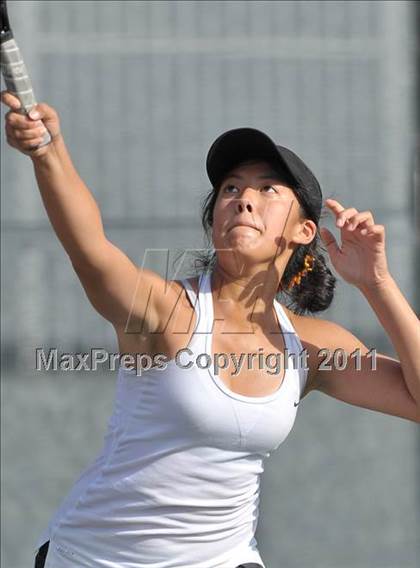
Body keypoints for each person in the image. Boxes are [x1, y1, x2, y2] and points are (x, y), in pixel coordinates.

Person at [1, 91, 419, 568]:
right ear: (215, 220)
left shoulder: (312, 345)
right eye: (231, 189)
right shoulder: (167, 312)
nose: (244, 200)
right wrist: (48, 152)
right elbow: (90, 250)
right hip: (92, 558)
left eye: (268, 189)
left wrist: (377, 283)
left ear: (305, 230)